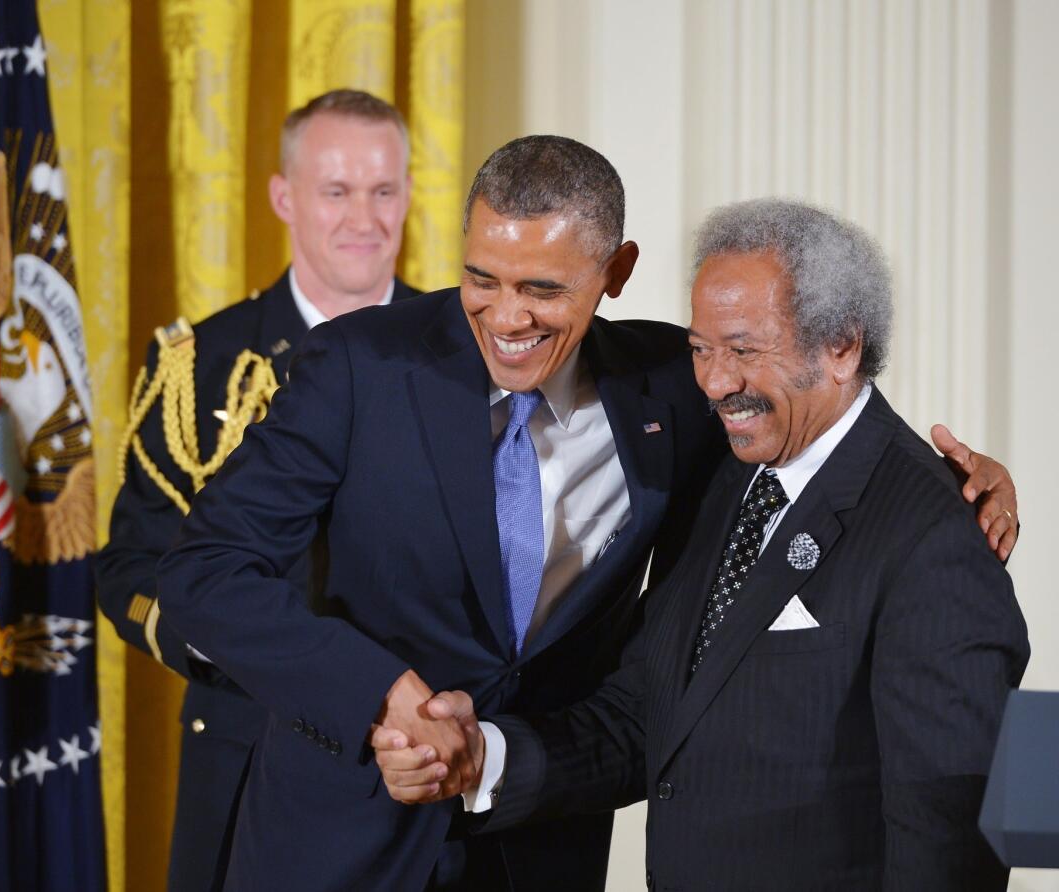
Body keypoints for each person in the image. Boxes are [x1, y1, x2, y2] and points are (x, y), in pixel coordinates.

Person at [156, 137, 1016, 890]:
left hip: (540, 838)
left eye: (541, 288)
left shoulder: (675, 388)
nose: (506, 317)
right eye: (480, 279)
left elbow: (818, 404)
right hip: (339, 836)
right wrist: (378, 698)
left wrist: (954, 484)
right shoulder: (359, 366)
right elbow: (203, 570)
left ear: (615, 273)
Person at [374, 199, 1029, 890]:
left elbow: (949, 832)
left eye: (744, 351)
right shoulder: (721, 476)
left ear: (841, 347)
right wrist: (485, 760)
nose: (716, 383)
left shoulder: (933, 533)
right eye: (700, 349)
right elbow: (650, 710)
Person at [95, 89, 417, 891]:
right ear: (284, 197)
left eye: (384, 191)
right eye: (336, 191)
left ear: (409, 195)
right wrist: (223, 636)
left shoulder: (463, 356)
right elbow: (130, 563)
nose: (364, 218)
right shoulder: (199, 364)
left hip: (412, 755)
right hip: (246, 738)